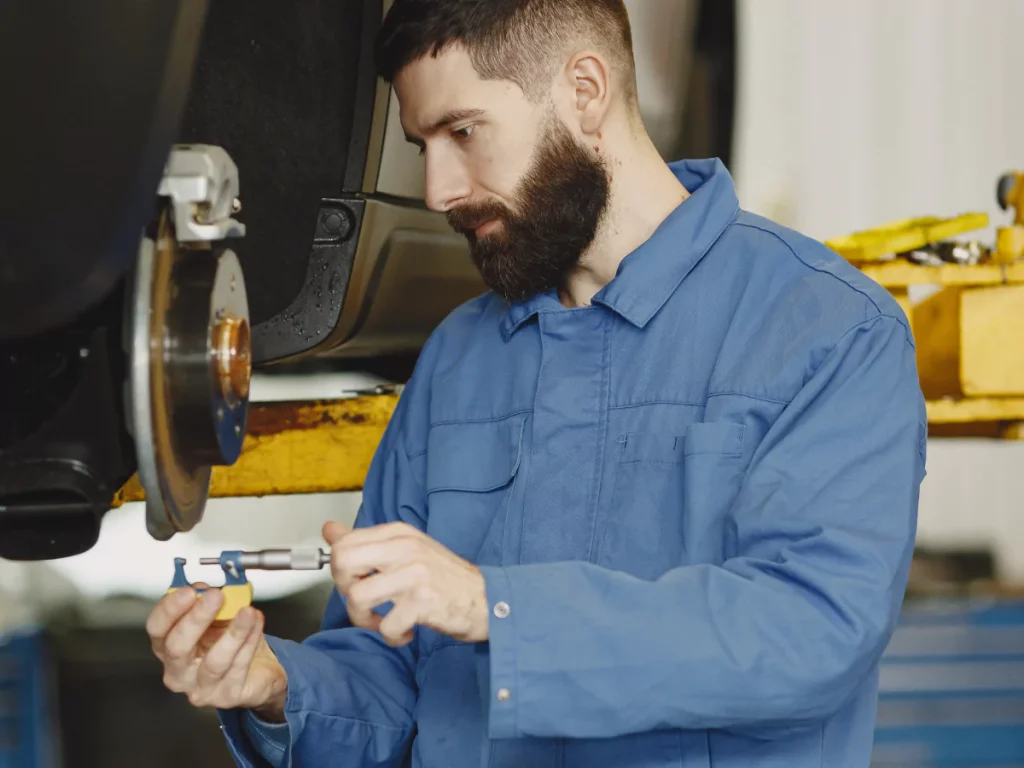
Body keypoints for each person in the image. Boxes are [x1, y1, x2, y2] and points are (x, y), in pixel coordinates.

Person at [145, 0, 928, 765]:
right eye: (425, 145)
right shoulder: (458, 358)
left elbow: (810, 632)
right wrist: (277, 685)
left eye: (463, 132)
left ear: (584, 92)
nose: (439, 191)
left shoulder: (827, 328)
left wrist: (494, 609)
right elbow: (394, 681)